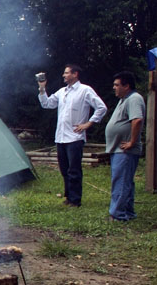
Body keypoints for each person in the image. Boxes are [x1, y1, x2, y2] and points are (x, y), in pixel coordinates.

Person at [38, 65, 107, 207]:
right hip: (61, 137)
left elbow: (101, 107)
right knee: (64, 169)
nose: (64, 75)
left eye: (66, 73)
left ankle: (75, 200)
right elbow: (47, 104)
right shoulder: (62, 92)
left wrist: (88, 124)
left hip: (75, 137)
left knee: (74, 170)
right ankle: (68, 197)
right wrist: (42, 88)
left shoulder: (85, 90)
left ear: (75, 74)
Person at [104, 71, 145, 222]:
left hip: (125, 150)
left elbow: (137, 120)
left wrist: (131, 142)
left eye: (117, 85)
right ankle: (128, 212)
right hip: (119, 149)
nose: (114, 87)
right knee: (125, 181)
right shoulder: (124, 99)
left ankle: (117, 215)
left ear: (126, 86)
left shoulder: (134, 99)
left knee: (121, 181)